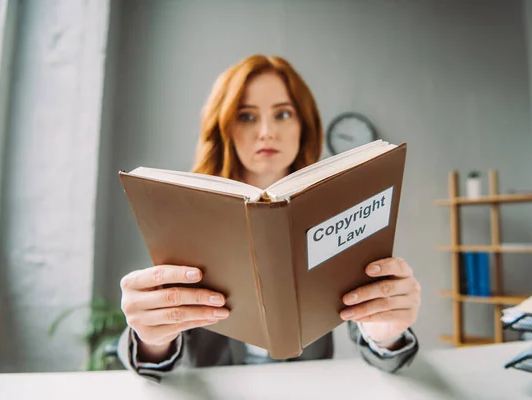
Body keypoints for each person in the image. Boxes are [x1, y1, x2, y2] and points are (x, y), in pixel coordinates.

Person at [117, 54, 421, 382]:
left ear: (304, 126)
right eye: (247, 116)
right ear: (226, 126)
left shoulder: (341, 207)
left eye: (283, 114)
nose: (266, 132)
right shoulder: (185, 214)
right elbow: (155, 357)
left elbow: (385, 354)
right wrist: (152, 339)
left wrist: (387, 334)